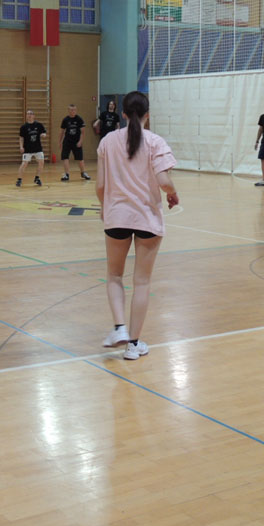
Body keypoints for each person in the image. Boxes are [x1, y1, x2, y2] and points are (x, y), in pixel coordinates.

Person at [96, 91, 178, 360]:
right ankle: (133, 345)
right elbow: (164, 181)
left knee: (114, 276)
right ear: (148, 115)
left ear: (122, 113)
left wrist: (105, 206)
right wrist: (172, 193)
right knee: (141, 282)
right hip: (147, 218)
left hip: (117, 216)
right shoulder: (155, 142)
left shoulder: (107, 141)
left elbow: (100, 186)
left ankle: (119, 327)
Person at [59, 104, 90, 181]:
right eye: (71, 110)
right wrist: (60, 142)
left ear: (76, 110)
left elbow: (82, 132)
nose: (73, 111)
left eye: (74, 110)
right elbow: (62, 132)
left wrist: (80, 141)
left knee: (80, 158)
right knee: (65, 157)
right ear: (68, 110)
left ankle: (83, 173)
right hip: (67, 141)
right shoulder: (65, 120)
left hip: (76, 142)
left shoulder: (79, 119)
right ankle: (66, 174)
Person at [17, 109, 47, 187]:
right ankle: (19, 179)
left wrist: (43, 135)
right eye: (28, 114)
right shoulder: (23, 127)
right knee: (24, 164)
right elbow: (21, 138)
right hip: (28, 149)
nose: (29, 115)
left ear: (34, 116)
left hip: (37, 148)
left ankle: (37, 178)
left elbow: (44, 132)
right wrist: (21, 146)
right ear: (26, 116)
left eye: (31, 114)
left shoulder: (39, 125)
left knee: (41, 162)